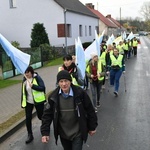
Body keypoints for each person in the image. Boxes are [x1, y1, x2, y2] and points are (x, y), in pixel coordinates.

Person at [41, 70, 98, 150]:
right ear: (58, 83)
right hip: (63, 133)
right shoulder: (53, 97)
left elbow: (90, 110)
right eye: (61, 81)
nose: (64, 84)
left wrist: (92, 126)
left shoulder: (80, 94)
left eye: (66, 81)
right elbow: (47, 115)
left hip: (78, 132)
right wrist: (45, 132)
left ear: (70, 81)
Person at [21, 66, 46, 144]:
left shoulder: (37, 78)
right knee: (28, 118)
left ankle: (45, 130)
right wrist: (22, 102)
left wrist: (34, 86)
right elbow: (23, 92)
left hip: (38, 101)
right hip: (29, 102)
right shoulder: (24, 79)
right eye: (25, 72)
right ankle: (30, 135)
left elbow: (43, 88)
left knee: (40, 116)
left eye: (28, 72)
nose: (26, 74)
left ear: (31, 72)